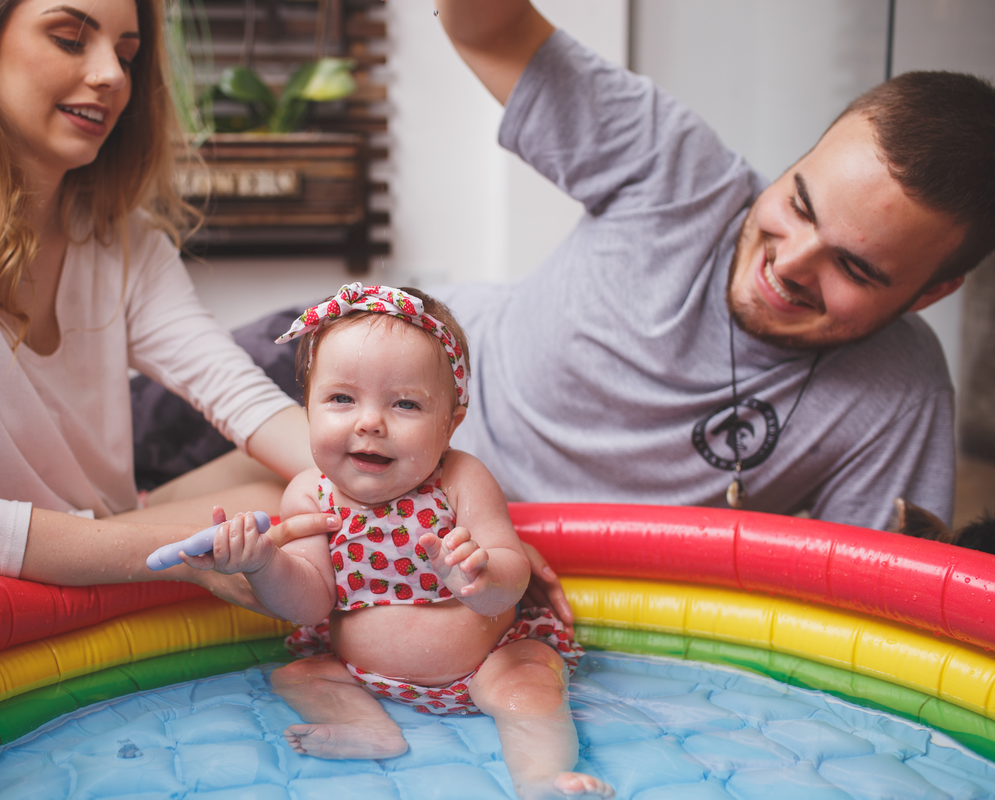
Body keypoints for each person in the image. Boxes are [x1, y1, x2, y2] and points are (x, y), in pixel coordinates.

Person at [0, 0, 340, 603]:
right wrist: (189, 557)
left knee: (303, 493)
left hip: (101, 531)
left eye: (127, 54)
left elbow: (237, 394)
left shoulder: (124, 237)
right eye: (69, 38)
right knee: (283, 523)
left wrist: (398, 480)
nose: (111, 74)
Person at [421, 0, 995, 532]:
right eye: (799, 204)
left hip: (559, 577)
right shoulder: (675, 168)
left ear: (929, 294)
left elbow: (865, 604)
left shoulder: (899, 392)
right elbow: (486, 30)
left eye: (854, 267)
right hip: (410, 432)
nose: (789, 262)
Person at [184, 284, 613, 799]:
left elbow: (512, 572)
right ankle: (368, 730)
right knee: (299, 675)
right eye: (341, 398)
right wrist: (263, 565)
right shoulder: (310, 494)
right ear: (308, 409)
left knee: (532, 681)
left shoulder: (460, 478)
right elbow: (309, 602)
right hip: (360, 672)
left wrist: (480, 578)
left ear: (451, 423)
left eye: (406, 404)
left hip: (486, 663)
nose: (370, 422)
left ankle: (542, 776)